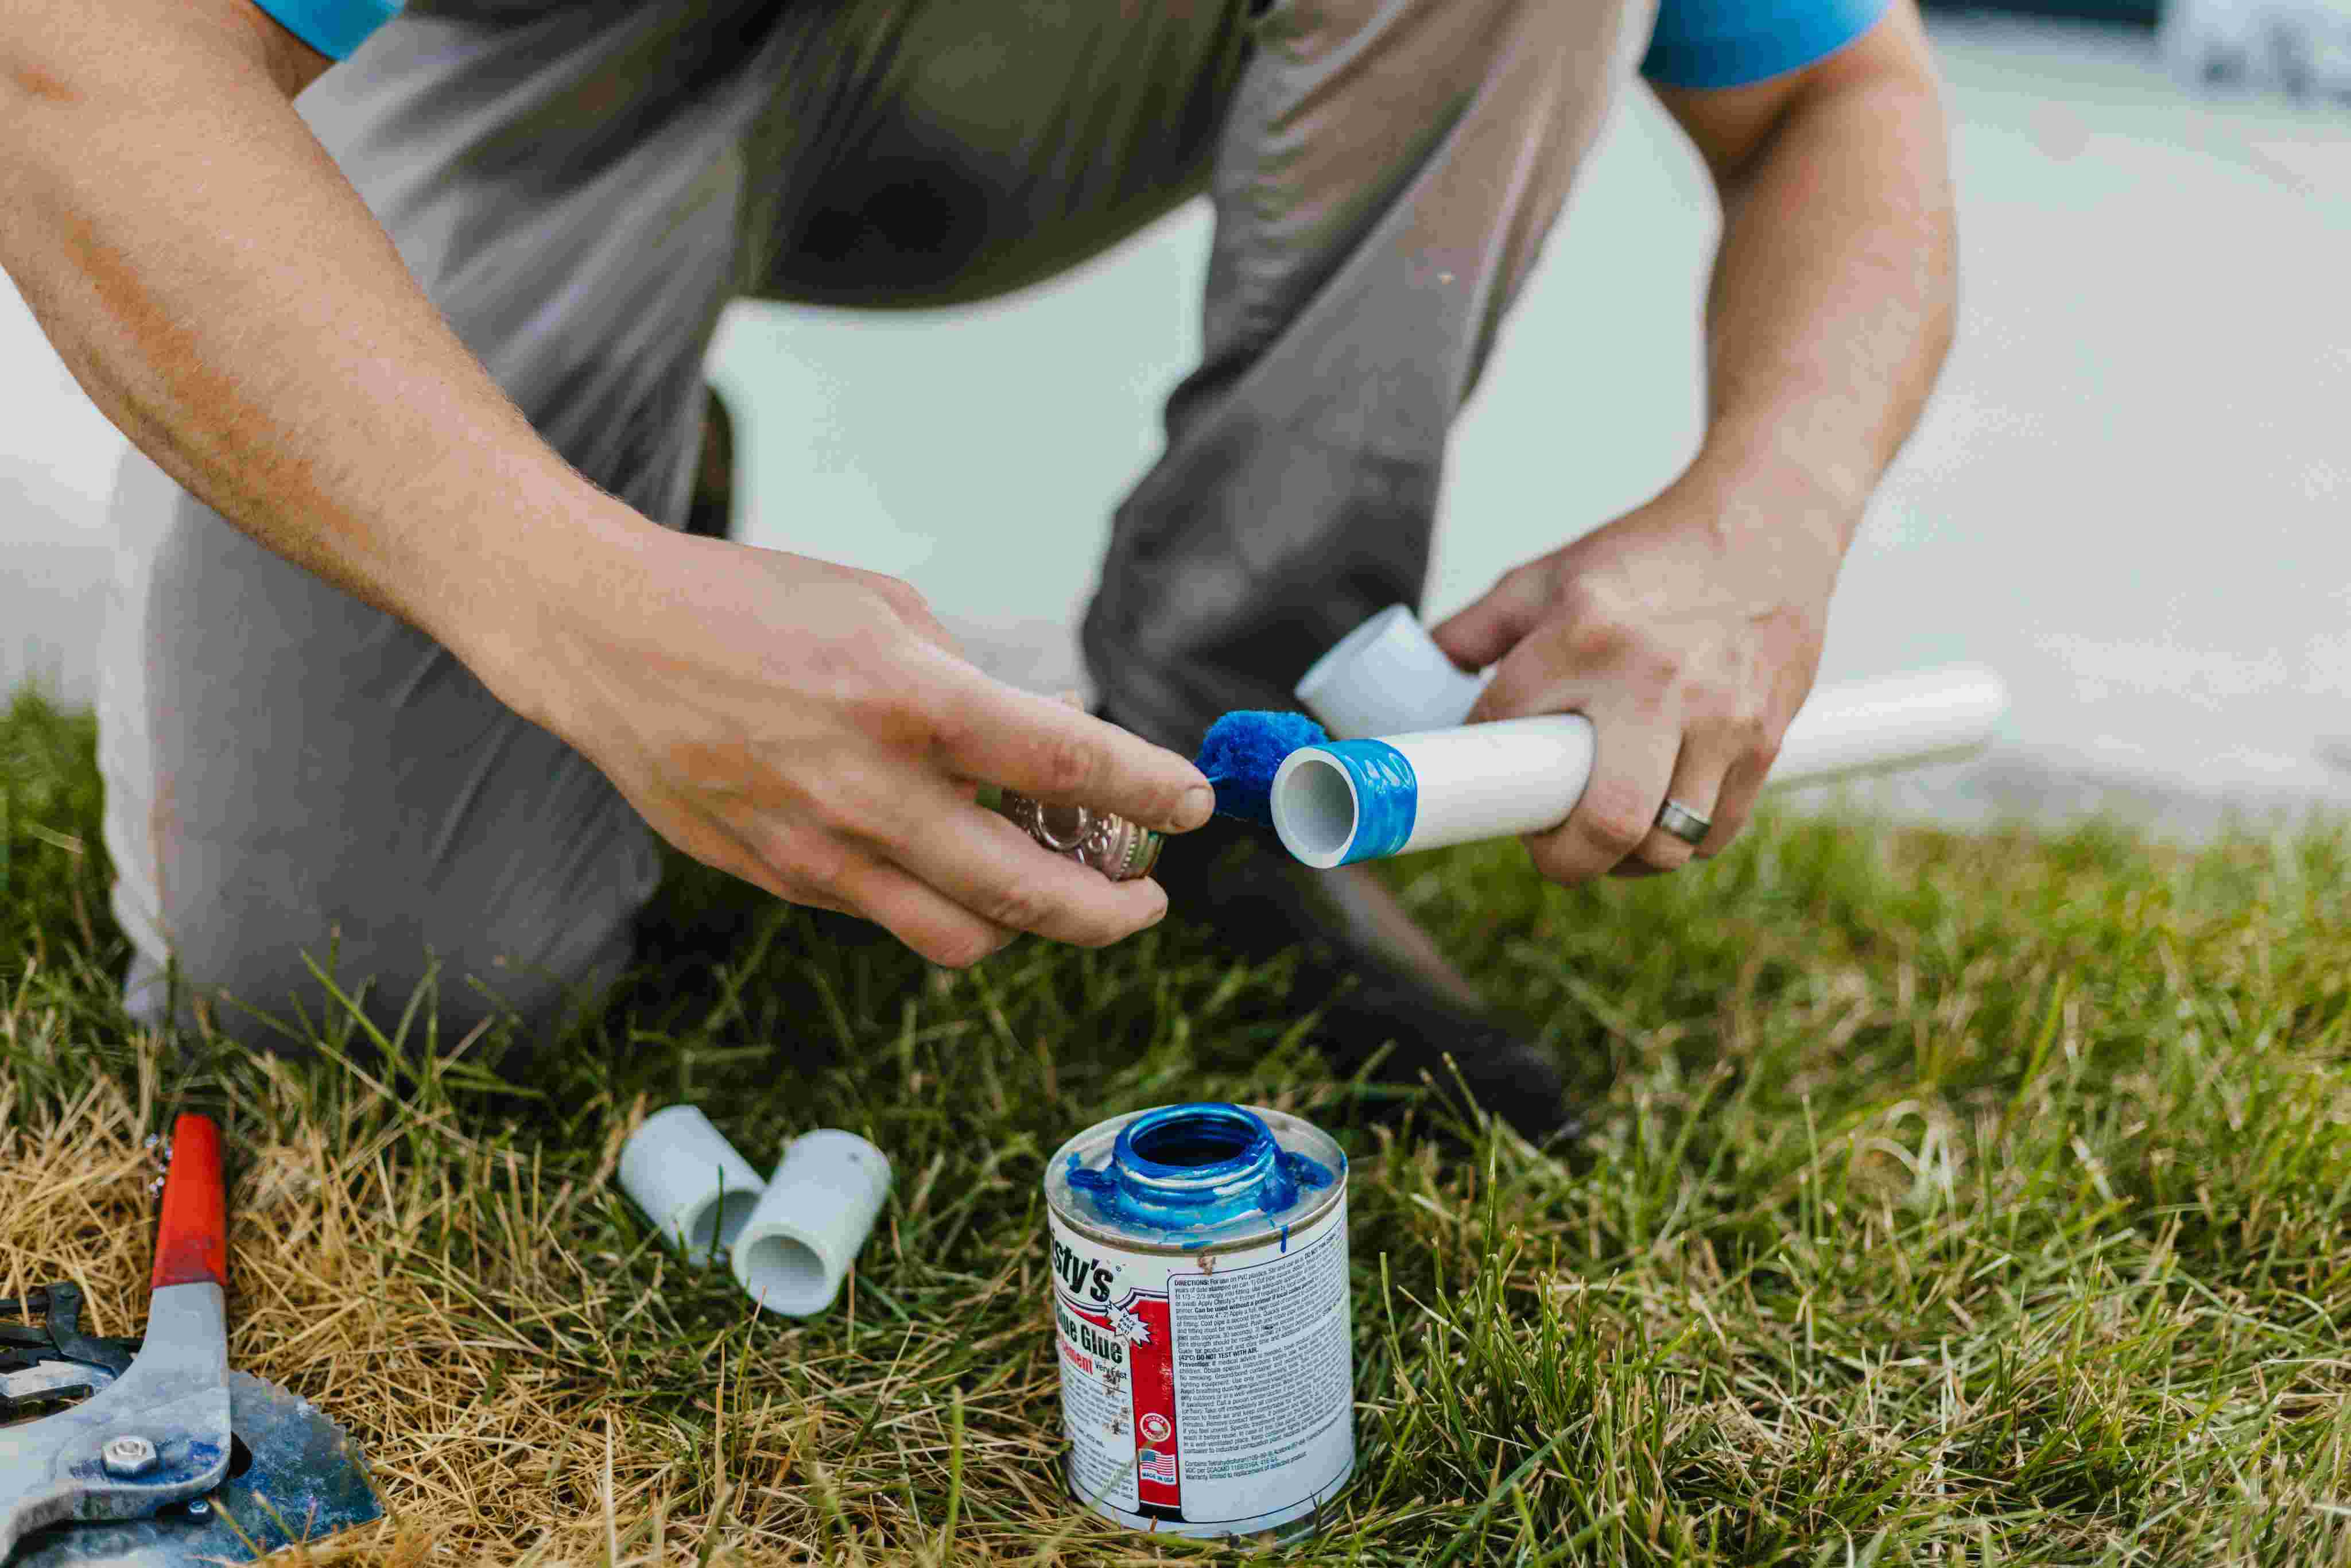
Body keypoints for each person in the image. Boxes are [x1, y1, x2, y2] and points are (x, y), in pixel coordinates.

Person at [3, 0, 1953, 1138]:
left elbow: (1840, 100)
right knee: (355, 1001)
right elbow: (70, 64)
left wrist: (1759, 524)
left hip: (1056, 64)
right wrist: (571, 598)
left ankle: (1239, 785)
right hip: (551, 62)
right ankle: (596, 472)